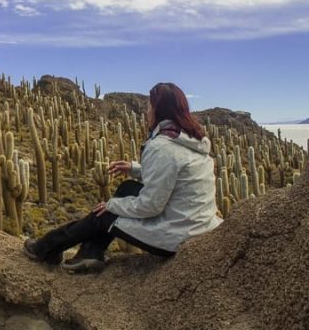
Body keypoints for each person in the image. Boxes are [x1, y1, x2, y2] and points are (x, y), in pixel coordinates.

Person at [23, 82, 223, 272]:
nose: (147, 113)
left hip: (177, 235)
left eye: (149, 107)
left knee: (104, 214)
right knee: (127, 188)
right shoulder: (189, 139)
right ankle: (90, 253)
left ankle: (46, 248)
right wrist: (134, 168)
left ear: (159, 110)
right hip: (195, 223)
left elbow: (151, 206)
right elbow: (171, 176)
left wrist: (111, 205)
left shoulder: (162, 146)